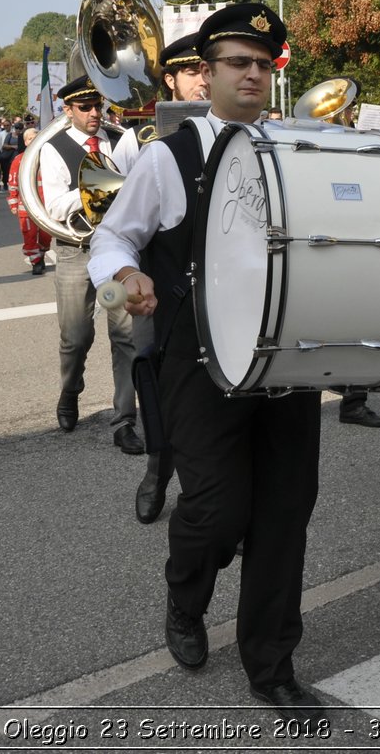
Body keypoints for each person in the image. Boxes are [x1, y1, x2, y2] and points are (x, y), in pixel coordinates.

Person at [89, 2, 327, 723]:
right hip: (201, 361)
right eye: (238, 62)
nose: (253, 74)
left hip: (286, 357)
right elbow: (111, 239)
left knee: (285, 513)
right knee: (218, 510)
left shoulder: (297, 148)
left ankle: (272, 663)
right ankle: (185, 592)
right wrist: (127, 279)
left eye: (264, 63)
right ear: (208, 72)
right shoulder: (169, 154)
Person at [39, 75, 141, 454]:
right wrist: (96, 188)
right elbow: (52, 207)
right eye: (85, 107)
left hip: (118, 250)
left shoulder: (120, 141)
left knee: (126, 335)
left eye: (99, 105)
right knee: (76, 336)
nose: (96, 113)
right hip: (75, 249)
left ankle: (125, 419)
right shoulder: (53, 148)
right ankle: (70, 390)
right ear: (68, 111)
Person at [131, 30, 208, 525]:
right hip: (162, 284)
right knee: (157, 377)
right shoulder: (147, 143)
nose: (203, 80)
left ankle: (210, 499)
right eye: (193, 71)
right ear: (172, 80)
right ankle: (158, 469)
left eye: (208, 69)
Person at [7, 127, 50, 276]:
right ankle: (36, 262)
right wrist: (13, 202)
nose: (33, 140)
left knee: (46, 235)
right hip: (26, 204)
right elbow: (13, 182)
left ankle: (41, 254)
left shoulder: (49, 157)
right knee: (29, 234)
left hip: (46, 203)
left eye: (36, 137)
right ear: (25, 142)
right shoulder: (19, 160)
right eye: (30, 138)